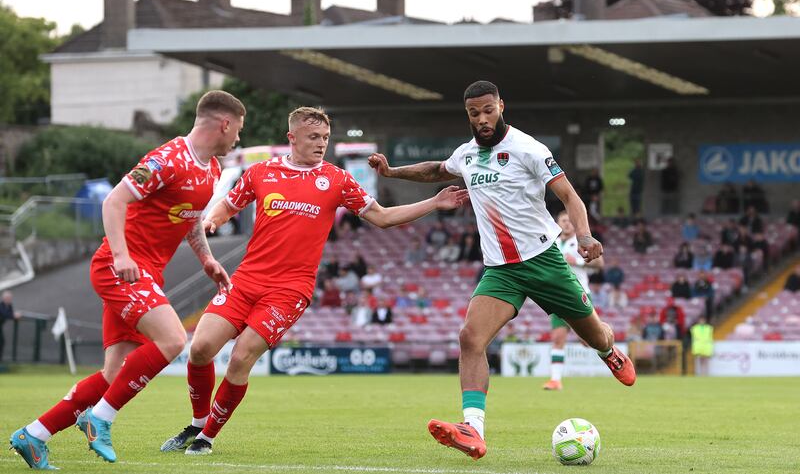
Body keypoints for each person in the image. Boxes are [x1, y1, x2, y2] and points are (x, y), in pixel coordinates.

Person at [160, 107, 468, 456]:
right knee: (200, 349)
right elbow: (228, 206)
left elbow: (381, 217)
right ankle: (196, 423)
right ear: (292, 138)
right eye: (313, 138)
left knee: (242, 356)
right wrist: (212, 221)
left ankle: (207, 438)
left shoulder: (337, 180)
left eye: (325, 138)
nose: (321, 144)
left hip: (289, 291)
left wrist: (434, 201)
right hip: (245, 281)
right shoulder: (261, 172)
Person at [367, 80, 635, 460]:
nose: (482, 119)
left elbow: (569, 196)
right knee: (470, 339)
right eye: (474, 113)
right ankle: (473, 430)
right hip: (501, 270)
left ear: (501, 106)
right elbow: (435, 170)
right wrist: (392, 173)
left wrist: (586, 237)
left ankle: (610, 352)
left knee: (595, 336)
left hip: (544, 261)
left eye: (488, 110)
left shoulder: (528, 149)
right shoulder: (467, 155)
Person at [9, 90, 243, 468]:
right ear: (225, 124)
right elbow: (113, 201)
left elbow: (190, 220)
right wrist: (120, 255)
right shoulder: (167, 159)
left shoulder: (212, 169)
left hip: (145, 273)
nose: (237, 140)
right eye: (237, 131)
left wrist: (207, 260)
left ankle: (34, 435)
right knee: (171, 338)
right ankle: (100, 418)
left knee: (112, 376)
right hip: (119, 268)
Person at [543, 211, 604, 391]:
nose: (567, 224)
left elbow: (600, 263)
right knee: (557, 338)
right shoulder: (550, 242)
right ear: (558, 223)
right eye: (564, 220)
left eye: (570, 221)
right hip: (556, 295)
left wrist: (577, 261)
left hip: (579, 293)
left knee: (589, 341)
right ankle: (555, 380)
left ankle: (608, 341)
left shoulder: (581, 241)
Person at [0, 290, 21, 362]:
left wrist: (15, 315)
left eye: (10, 298)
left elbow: (10, 314)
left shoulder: (9, 306)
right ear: (4, 298)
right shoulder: (1, 305)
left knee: (2, 342)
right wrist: (14, 316)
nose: (9, 299)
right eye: (8, 298)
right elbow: (5, 314)